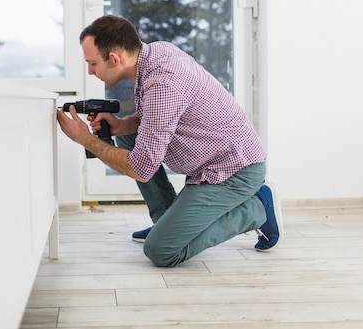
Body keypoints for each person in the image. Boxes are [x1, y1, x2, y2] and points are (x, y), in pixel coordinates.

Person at [56, 15, 283, 267]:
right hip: (215, 161)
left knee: (161, 251)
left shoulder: (163, 82)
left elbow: (141, 169)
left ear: (115, 58)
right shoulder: (155, 54)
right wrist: (121, 125)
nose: (90, 71)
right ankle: (166, 221)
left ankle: (256, 210)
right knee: (130, 135)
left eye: (92, 63)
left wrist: (85, 139)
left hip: (233, 171)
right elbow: (157, 117)